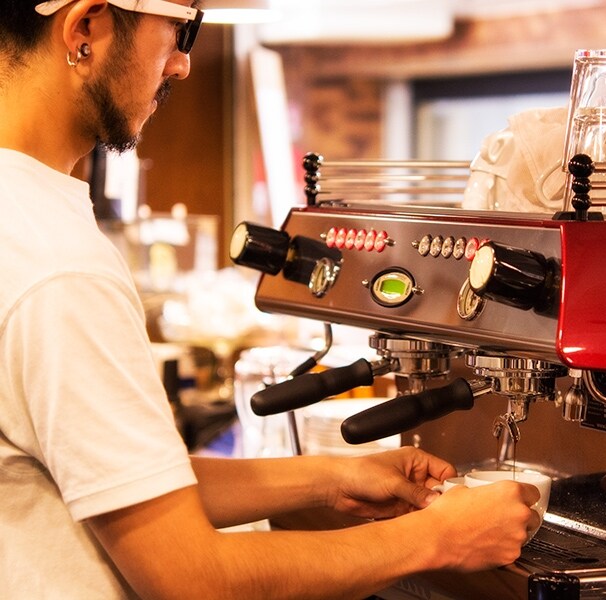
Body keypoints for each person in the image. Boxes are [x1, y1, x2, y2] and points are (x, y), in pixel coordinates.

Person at [0, 1, 541, 598]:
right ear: (86, 29)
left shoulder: (23, 217)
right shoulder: (61, 266)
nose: (181, 64)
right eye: (182, 30)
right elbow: (191, 577)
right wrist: (439, 538)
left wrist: (330, 478)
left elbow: (122, 482)